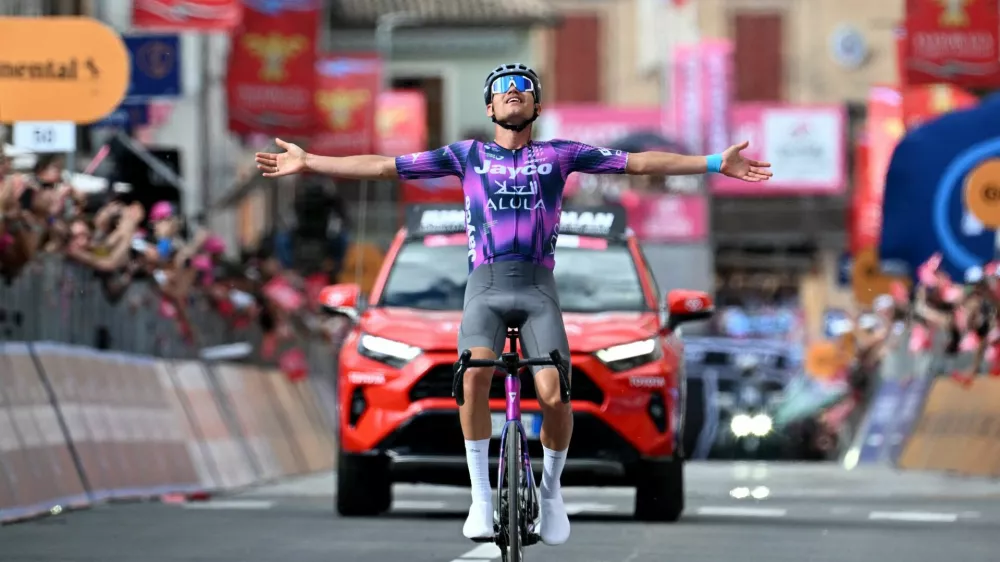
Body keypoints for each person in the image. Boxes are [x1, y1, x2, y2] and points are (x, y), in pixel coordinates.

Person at [255, 62, 772, 545]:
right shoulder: (467, 157)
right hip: (484, 286)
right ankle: (481, 496)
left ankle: (549, 494)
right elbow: (384, 167)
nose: (514, 95)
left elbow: (638, 163)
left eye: (524, 90)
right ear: (490, 108)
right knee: (474, 377)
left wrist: (711, 162)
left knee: (552, 393)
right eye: (504, 91)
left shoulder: (560, 155)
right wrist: (310, 161)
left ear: (536, 108)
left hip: (538, 289)